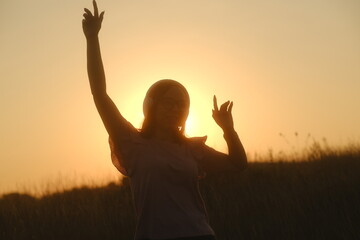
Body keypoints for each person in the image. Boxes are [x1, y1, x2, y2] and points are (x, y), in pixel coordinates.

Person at [82, 1, 247, 240]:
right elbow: (99, 93)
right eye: (168, 102)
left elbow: (238, 165)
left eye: (181, 104)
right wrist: (92, 38)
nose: (176, 108)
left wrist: (229, 130)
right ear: (151, 105)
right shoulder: (130, 142)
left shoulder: (192, 149)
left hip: (199, 235)